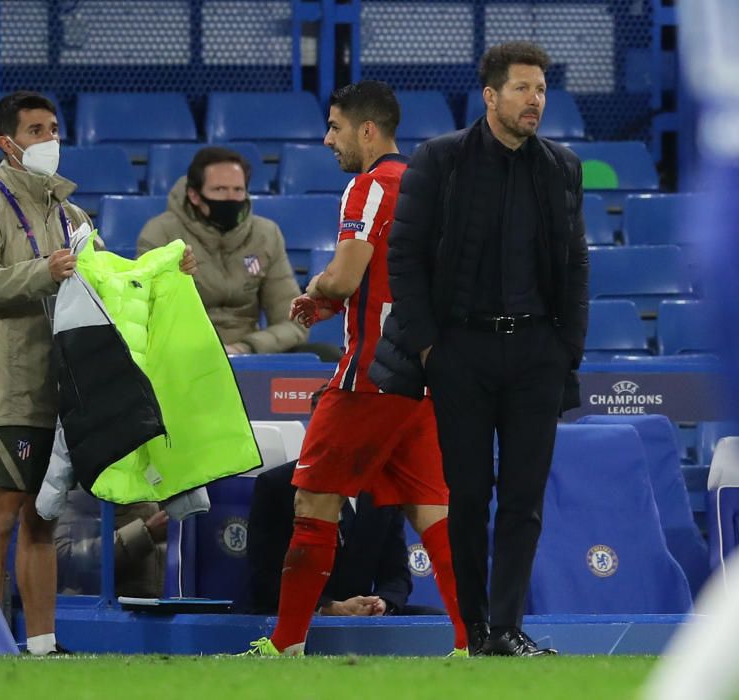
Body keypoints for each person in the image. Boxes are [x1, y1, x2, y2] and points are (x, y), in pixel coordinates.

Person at [0, 91, 196, 656]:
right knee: (2, 513)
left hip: (67, 386)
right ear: (8, 144)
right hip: (12, 386)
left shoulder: (73, 217)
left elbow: (111, 287)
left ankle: (41, 645)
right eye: (36, 130)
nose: (49, 140)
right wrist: (43, 270)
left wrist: (162, 274)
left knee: (42, 518)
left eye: (53, 127)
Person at [369, 42, 589, 656]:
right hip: (460, 351)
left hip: (537, 355)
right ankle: (475, 632)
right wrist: (430, 348)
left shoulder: (561, 166)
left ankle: (508, 628)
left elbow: (575, 262)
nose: (534, 100)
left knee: (524, 499)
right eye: (522, 89)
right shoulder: (440, 161)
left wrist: (566, 347)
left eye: (541, 90)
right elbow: (404, 258)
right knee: (466, 496)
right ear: (490, 96)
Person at [243, 81, 465, 657]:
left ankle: (285, 643)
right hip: (423, 378)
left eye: (335, 127)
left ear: (368, 130)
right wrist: (336, 301)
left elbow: (343, 277)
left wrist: (319, 288)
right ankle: (472, 642)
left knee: (312, 501)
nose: (327, 139)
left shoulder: (367, 187)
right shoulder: (433, 188)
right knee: (434, 513)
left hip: (369, 377)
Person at [137, 147, 312, 356]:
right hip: (181, 354)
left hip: (247, 355)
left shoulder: (266, 234)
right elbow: (144, 313)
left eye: (238, 190)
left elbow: (293, 321)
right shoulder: (161, 233)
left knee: (325, 355)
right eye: (220, 189)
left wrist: (246, 347)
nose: (231, 198)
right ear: (194, 195)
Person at [246, 460, 416, 617]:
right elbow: (265, 577)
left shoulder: (384, 485)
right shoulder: (277, 484)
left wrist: (381, 603)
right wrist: (328, 607)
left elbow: (396, 574)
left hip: (361, 618)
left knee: (436, 618)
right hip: (292, 614)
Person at [55, 491, 167, 598]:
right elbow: (66, 555)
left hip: (155, 606)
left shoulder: (155, 491)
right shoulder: (81, 497)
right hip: (106, 607)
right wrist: (145, 533)